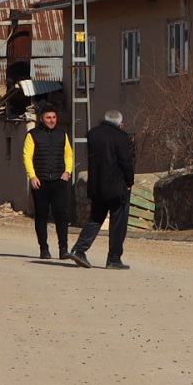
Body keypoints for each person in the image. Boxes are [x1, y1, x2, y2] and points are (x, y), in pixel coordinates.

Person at [70, 109, 136, 269]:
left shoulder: (92, 134)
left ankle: (79, 249)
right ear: (120, 123)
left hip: (97, 185)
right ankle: (113, 258)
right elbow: (125, 162)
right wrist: (129, 181)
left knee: (95, 218)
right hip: (116, 186)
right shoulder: (120, 136)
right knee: (118, 222)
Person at [23, 106, 75, 261]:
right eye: (48, 118)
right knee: (41, 215)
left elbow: (69, 155)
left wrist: (68, 172)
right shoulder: (32, 135)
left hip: (59, 180)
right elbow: (27, 156)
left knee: (61, 215)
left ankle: (63, 249)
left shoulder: (62, 134)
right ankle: (44, 249)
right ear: (41, 118)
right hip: (40, 181)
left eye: (54, 117)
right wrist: (32, 176)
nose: (52, 120)